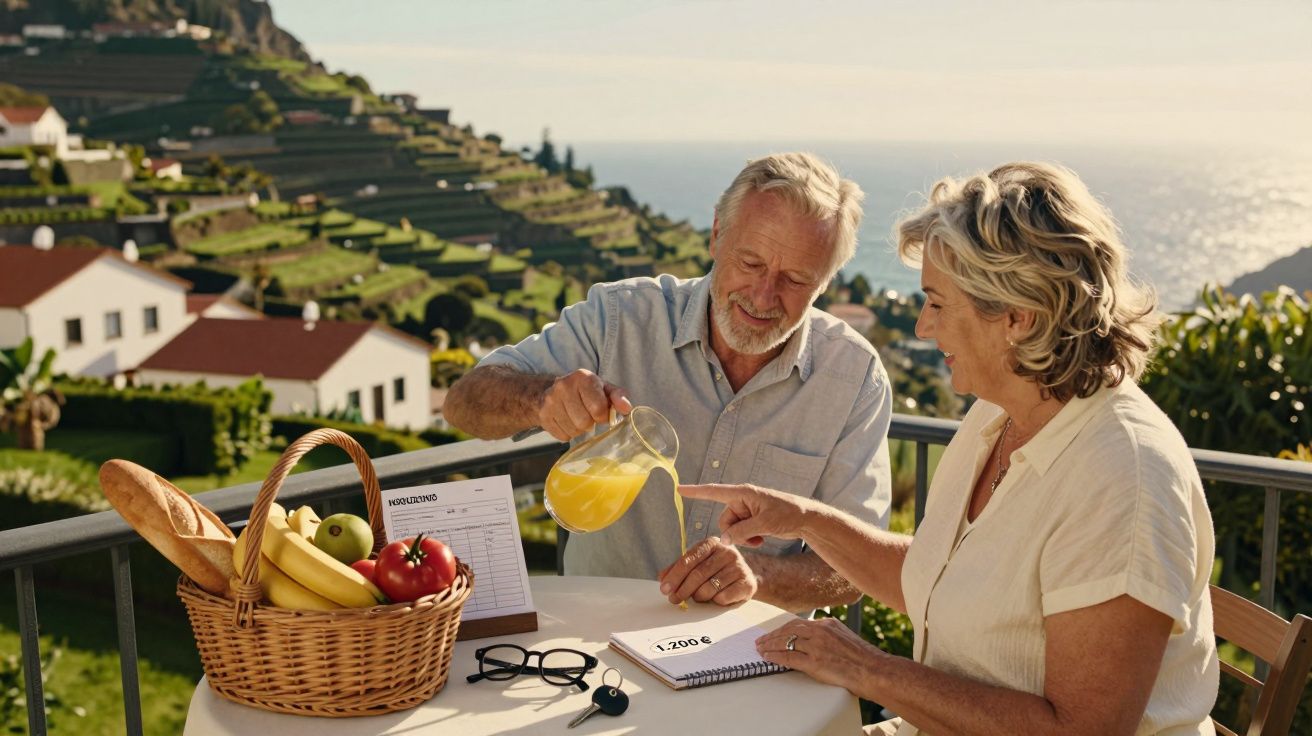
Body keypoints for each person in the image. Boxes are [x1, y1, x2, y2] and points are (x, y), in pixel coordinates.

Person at [681, 162, 1219, 734]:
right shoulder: (999, 414)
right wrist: (805, 519)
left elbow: (1081, 730)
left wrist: (869, 670)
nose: (921, 327)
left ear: (1017, 316)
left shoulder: (1123, 473)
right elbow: (937, 580)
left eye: (937, 303)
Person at [444, 152, 894, 613]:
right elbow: (463, 404)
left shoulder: (854, 378)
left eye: (796, 279)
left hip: (749, 660)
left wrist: (758, 575)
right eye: (751, 262)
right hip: (595, 637)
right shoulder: (619, 319)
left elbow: (854, 569)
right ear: (717, 234)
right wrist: (539, 399)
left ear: (825, 281)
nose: (763, 297)